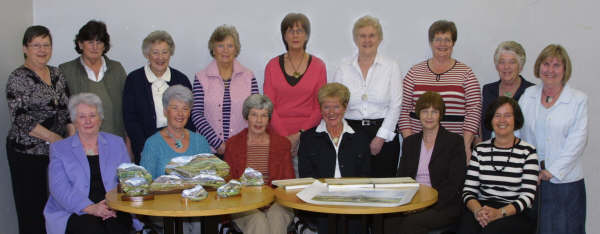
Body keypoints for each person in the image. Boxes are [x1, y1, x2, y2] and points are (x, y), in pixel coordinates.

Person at [6, 25, 72, 234]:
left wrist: (70, 139)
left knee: (57, 207)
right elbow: (21, 118)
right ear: (25, 48)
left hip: (57, 153)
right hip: (28, 153)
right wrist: (55, 138)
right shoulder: (18, 77)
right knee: (32, 209)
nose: (42, 50)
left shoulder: (56, 74)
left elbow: (68, 109)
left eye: (46, 45)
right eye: (36, 45)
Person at [44, 93, 141, 234]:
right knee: (92, 228)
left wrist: (115, 205)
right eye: (82, 117)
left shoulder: (116, 143)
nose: (88, 121)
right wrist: (91, 208)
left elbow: (128, 180)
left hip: (112, 206)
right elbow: (60, 189)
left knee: (116, 226)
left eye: (92, 115)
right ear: (74, 121)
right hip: (75, 210)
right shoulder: (59, 149)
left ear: (100, 119)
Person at [518, 44, 587, 233]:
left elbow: (577, 141)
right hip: (533, 181)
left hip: (566, 184)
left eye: (557, 65)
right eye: (546, 64)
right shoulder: (528, 95)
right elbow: (517, 132)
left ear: (565, 70)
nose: (550, 70)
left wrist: (552, 171)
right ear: (539, 66)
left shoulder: (578, 100)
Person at [398, 20, 481, 162]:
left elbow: (474, 110)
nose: (442, 44)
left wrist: (466, 146)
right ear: (431, 42)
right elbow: (403, 109)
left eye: (447, 40)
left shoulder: (466, 73)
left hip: (454, 148)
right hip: (420, 147)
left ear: (453, 43)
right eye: (438, 39)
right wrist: (411, 143)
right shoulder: (414, 72)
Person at [384, 91, 465, 234]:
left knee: (412, 223)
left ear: (440, 115)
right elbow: (402, 178)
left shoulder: (454, 142)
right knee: (387, 219)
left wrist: (426, 205)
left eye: (434, 112)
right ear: (418, 114)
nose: (429, 116)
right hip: (412, 201)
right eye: (425, 111)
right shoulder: (410, 142)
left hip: (442, 205)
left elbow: (454, 184)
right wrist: (410, 204)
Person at [332, 15, 402, 178]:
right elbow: (335, 105)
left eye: (372, 35)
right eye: (362, 36)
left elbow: (396, 105)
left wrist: (381, 137)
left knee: (383, 192)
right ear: (355, 39)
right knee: (353, 188)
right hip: (350, 134)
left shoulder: (391, 66)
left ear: (379, 38)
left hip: (384, 134)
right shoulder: (343, 68)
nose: (367, 40)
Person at [458, 97, 539, 234]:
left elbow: (527, 197)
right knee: (465, 228)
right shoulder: (480, 150)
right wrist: (478, 211)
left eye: (507, 115)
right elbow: (468, 191)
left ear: (516, 120)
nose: (502, 120)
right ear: (491, 119)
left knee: (492, 230)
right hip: (482, 208)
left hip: (514, 213)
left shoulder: (528, 152)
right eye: (497, 116)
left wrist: (499, 213)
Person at [298, 83, 370, 234]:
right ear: (320, 108)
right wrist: (326, 195)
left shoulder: (360, 137)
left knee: (354, 224)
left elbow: (365, 175)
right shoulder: (308, 138)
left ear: (344, 108)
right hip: (320, 201)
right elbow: (306, 175)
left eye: (336, 107)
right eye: (326, 107)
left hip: (353, 201)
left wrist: (349, 196)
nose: (331, 112)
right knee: (327, 223)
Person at [264, 12, 327, 175]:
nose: (295, 35)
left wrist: (298, 136)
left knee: (306, 187)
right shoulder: (272, 66)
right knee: (279, 187)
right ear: (284, 35)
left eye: (300, 31)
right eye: (290, 31)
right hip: (278, 136)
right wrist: (286, 138)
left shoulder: (319, 66)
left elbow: (320, 106)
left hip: (309, 136)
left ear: (307, 35)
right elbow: (268, 106)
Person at [224, 94, 295, 234]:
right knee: (258, 221)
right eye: (254, 115)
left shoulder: (282, 144)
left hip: (277, 201)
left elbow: (288, 182)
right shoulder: (233, 144)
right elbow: (229, 182)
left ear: (269, 119)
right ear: (246, 117)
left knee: (276, 218)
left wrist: (270, 199)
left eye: (264, 115)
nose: (259, 120)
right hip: (243, 204)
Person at [123, 30, 194, 163]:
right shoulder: (133, 80)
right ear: (147, 54)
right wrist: (146, 147)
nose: (160, 57)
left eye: (164, 52)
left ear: (170, 53)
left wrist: (181, 146)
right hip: (145, 146)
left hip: (179, 148)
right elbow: (130, 119)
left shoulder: (181, 79)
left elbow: (189, 115)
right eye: (155, 52)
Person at [191, 25, 258, 156]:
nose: (225, 50)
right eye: (220, 45)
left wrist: (237, 144)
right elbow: (197, 114)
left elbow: (256, 113)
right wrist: (218, 144)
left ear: (236, 49)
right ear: (213, 49)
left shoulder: (249, 77)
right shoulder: (201, 77)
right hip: (208, 151)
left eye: (230, 46)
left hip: (242, 149)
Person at [60, 20, 128, 140]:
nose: (95, 47)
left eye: (99, 42)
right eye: (90, 42)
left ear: (104, 45)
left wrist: (128, 141)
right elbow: (62, 111)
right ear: (80, 44)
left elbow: (128, 109)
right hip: (81, 142)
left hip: (115, 140)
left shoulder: (117, 68)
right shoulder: (66, 70)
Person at [141, 85, 211, 179]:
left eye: (185, 109)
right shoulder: (152, 144)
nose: (180, 114)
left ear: (189, 113)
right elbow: (145, 184)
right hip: (162, 194)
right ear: (165, 111)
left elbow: (210, 179)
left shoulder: (200, 141)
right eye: (175, 108)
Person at [480, 41, 534, 141]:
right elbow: (482, 124)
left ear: (520, 66)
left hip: (521, 153)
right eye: (502, 62)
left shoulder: (532, 92)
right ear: (496, 66)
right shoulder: (488, 90)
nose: (506, 67)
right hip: (488, 152)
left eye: (512, 62)